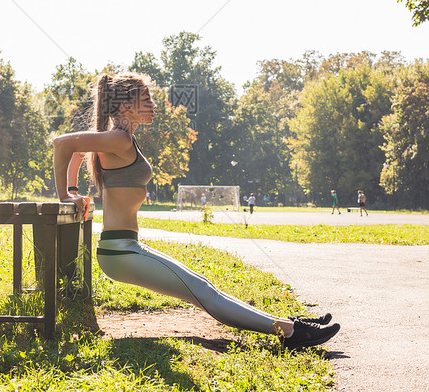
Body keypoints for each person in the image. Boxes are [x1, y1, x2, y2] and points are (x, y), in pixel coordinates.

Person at [52, 72, 339, 350]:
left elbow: (78, 152)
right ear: (127, 106)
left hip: (126, 247)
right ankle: (290, 332)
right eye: (147, 99)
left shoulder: (119, 139)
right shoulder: (119, 139)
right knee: (203, 293)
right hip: (121, 252)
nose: (154, 106)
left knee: (203, 286)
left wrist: (75, 191)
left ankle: (287, 324)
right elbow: (63, 145)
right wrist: (66, 194)